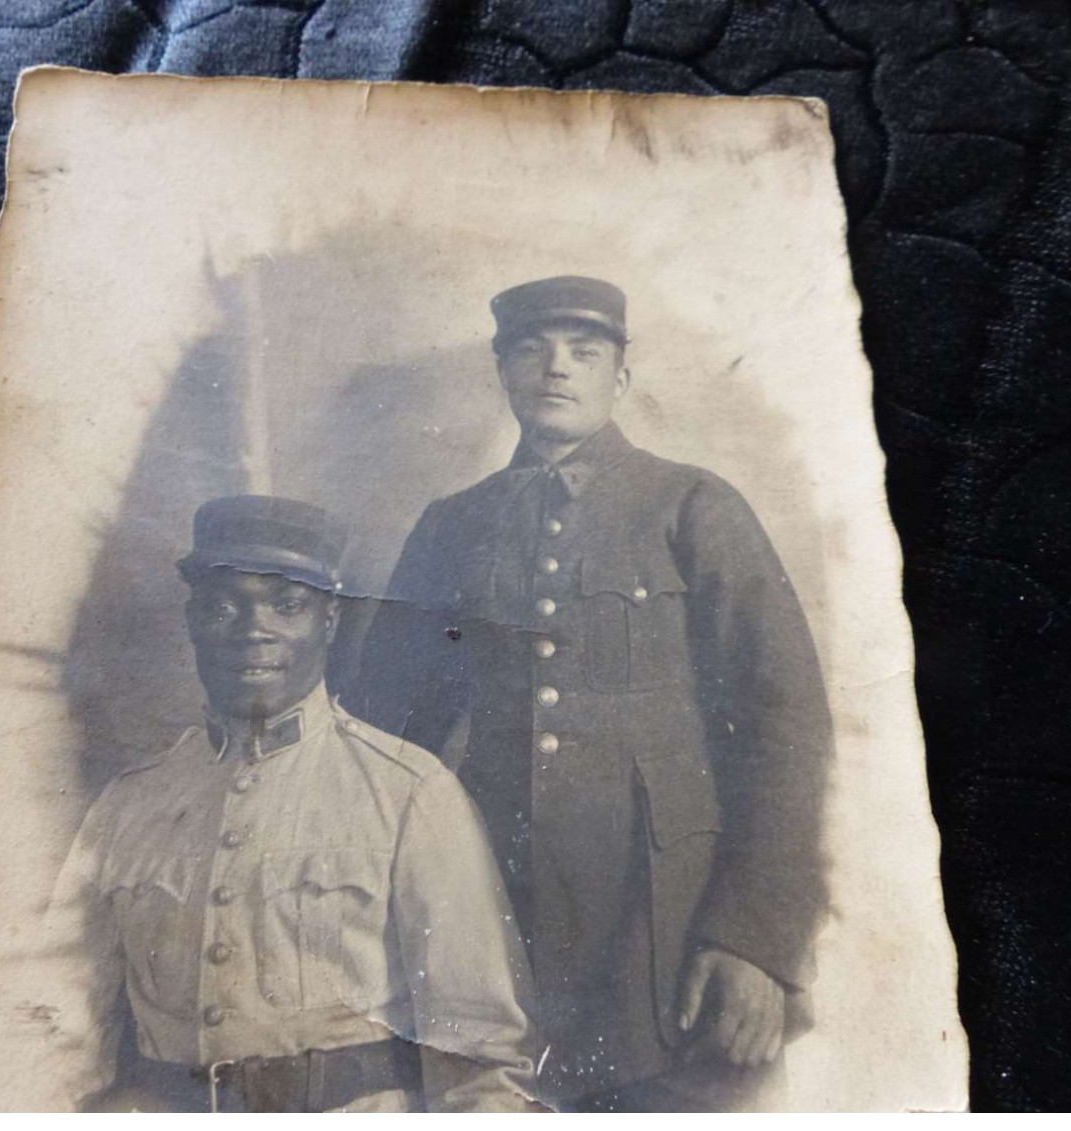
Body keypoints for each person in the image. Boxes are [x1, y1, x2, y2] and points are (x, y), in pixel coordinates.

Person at [353, 276, 834, 1111]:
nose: (556, 368)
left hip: (668, 924)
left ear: (620, 374)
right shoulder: (451, 525)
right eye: (532, 349)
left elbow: (785, 725)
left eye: (584, 351)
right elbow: (382, 735)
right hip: (494, 913)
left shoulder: (691, 503)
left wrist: (755, 938)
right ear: (500, 372)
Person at [45, 495, 540, 1112]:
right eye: (225, 606)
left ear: (329, 621)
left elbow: (480, 1060)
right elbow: (56, 1033)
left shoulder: (409, 794)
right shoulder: (129, 805)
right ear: (193, 620)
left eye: (287, 605)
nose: (256, 629)